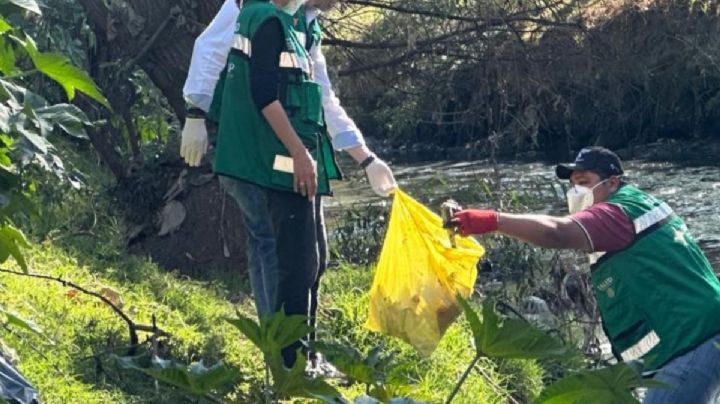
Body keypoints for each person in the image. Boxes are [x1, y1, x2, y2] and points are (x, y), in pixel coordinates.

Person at [180, 0, 397, 370]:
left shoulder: (306, 24)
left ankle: (299, 353)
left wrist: (366, 158)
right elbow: (212, 51)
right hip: (253, 152)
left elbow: (322, 96)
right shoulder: (253, 10)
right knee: (276, 251)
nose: (338, 4)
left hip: (284, 156)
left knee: (310, 258)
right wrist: (195, 112)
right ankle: (282, 357)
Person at [451, 146, 720, 403]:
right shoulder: (637, 205)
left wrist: (491, 221)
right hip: (695, 334)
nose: (576, 191)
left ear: (612, 182)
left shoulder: (615, 213)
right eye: (571, 185)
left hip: (691, 340)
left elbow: (555, 232)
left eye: (583, 181)